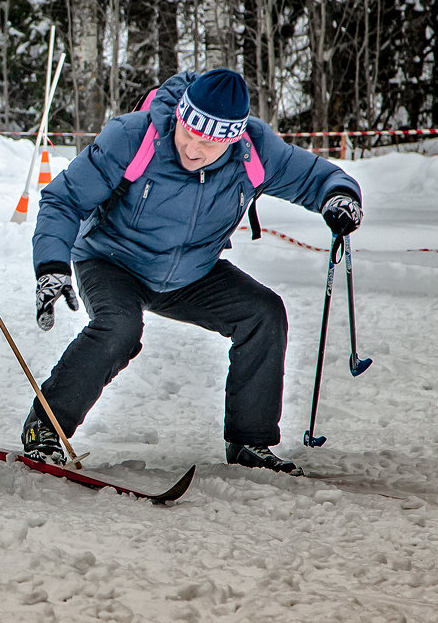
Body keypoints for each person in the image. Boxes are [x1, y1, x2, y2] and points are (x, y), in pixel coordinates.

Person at [23, 68, 363, 475]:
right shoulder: (134, 137)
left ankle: (249, 442)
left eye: (210, 142)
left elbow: (316, 177)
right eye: (188, 133)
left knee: (262, 313)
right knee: (119, 326)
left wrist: (339, 197)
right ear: (179, 116)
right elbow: (63, 200)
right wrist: (52, 266)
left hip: (192, 272)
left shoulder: (255, 151)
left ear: (234, 139)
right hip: (112, 260)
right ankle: (45, 430)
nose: (193, 149)